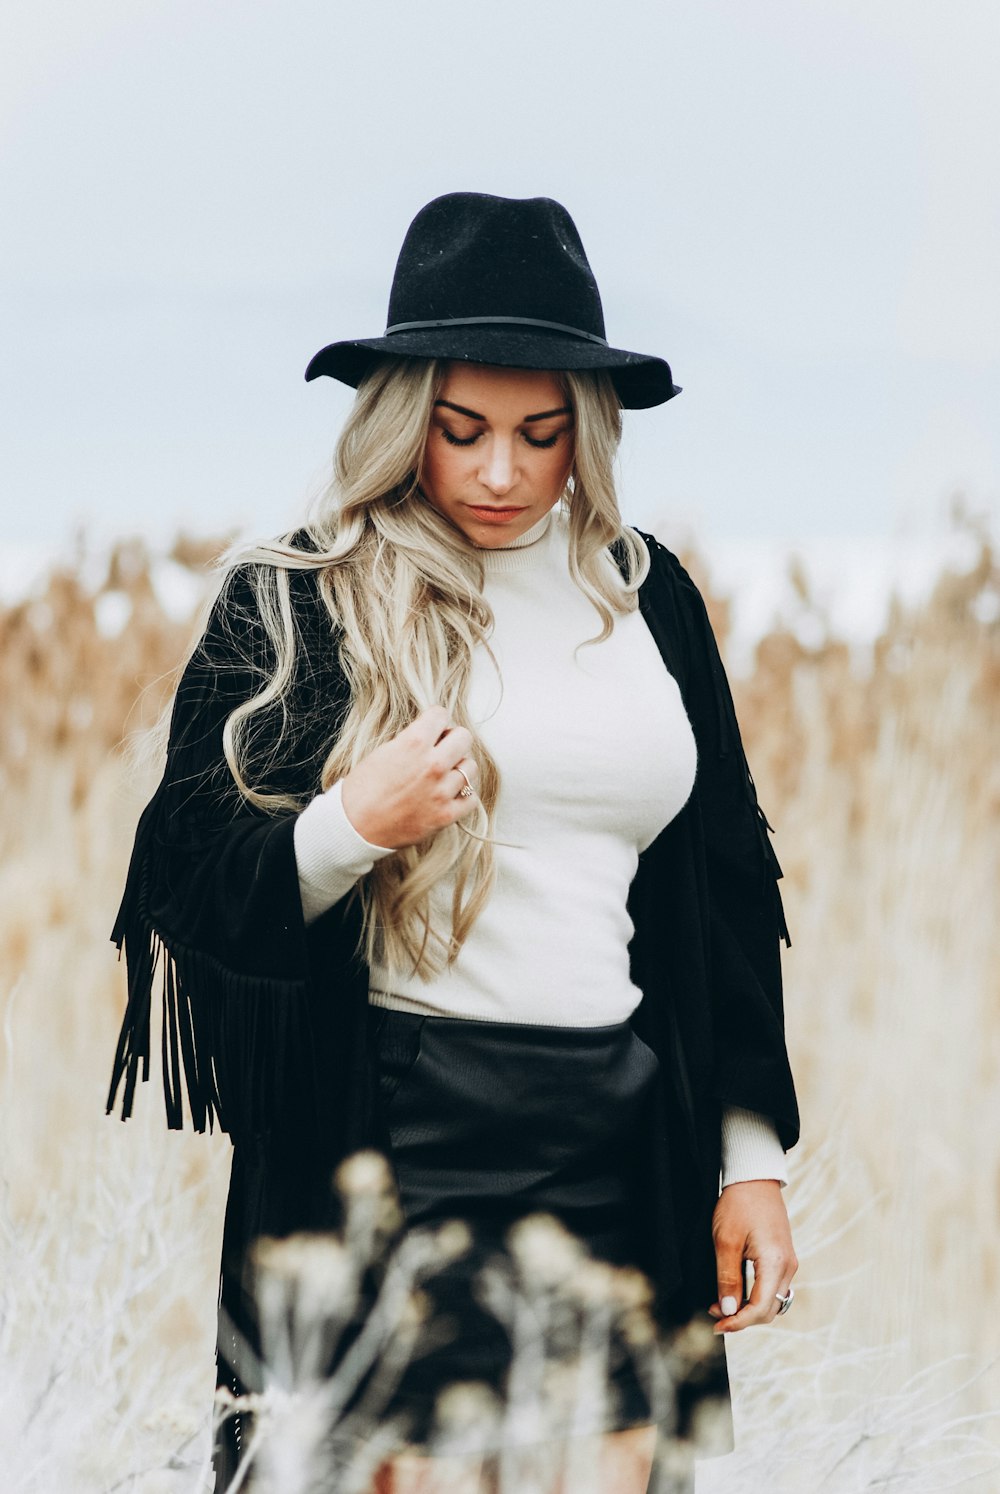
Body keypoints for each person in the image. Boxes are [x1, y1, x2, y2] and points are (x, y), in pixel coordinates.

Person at [107, 192, 799, 1493]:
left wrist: (748, 1159)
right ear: (397, 412)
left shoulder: (653, 599)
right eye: (460, 430)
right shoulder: (300, 596)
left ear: (585, 429)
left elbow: (721, 890)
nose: (498, 472)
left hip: (623, 1139)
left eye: (540, 436)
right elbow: (183, 872)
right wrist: (348, 824)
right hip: (396, 1143)